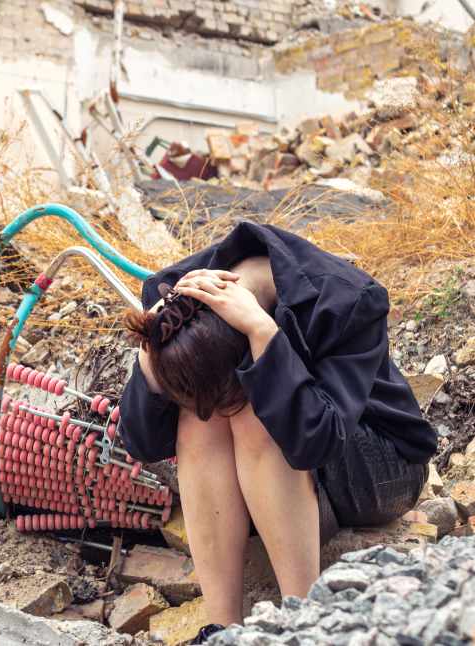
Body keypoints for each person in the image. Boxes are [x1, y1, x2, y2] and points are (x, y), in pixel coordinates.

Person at [117, 222, 436, 644]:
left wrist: (263, 336)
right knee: (200, 417)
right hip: (270, 485)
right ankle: (222, 631)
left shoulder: (344, 298)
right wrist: (149, 362)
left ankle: (302, 624)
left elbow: (317, 441)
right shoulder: (178, 307)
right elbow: (143, 444)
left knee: (254, 410)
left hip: (376, 465)